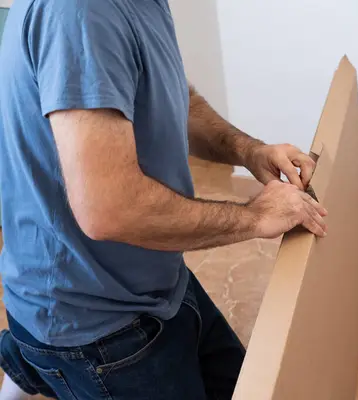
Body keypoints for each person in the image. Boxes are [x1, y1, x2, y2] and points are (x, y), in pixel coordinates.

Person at [0, 0, 327, 399]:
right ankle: (38, 358)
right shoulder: (82, 13)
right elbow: (111, 209)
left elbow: (173, 99)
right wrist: (254, 217)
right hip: (96, 323)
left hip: (153, 278)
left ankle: (28, 359)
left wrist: (248, 150)